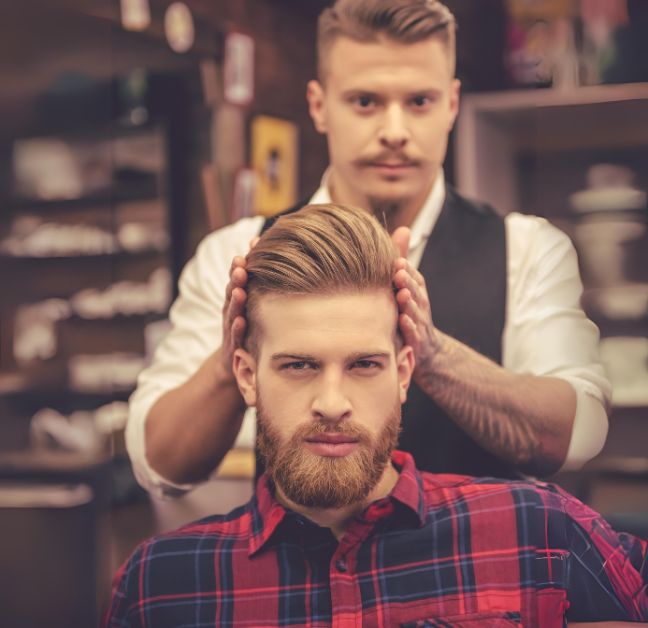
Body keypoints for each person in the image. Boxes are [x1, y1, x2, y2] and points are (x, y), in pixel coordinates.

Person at [126, 0, 611, 497]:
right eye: (365, 102)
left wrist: (436, 357)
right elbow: (161, 467)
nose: (395, 132)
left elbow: (576, 437)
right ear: (318, 105)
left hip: (472, 569)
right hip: (297, 572)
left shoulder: (526, 249)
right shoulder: (235, 252)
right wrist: (230, 360)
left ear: (451, 104)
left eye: (419, 101)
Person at [106, 205, 646, 627]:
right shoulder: (164, 585)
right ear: (245, 374)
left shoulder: (539, 534)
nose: (334, 402)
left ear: (406, 370)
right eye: (298, 366)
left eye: (365, 364)